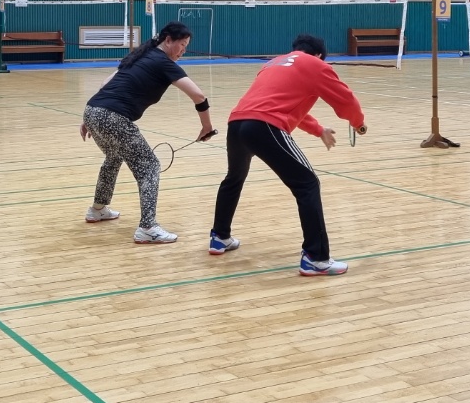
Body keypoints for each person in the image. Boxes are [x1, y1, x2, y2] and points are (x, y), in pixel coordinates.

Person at [209, 34, 366, 277]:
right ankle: (316, 258)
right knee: (308, 184)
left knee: (234, 178)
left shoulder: (273, 63)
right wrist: (358, 123)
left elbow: (283, 104)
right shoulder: (316, 64)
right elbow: (346, 101)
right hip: (264, 127)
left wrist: (319, 130)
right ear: (319, 56)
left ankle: (219, 237)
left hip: (237, 123)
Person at [80, 22, 213, 244]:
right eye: (182, 44)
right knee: (150, 167)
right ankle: (148, 228)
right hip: (114, 116)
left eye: (186, 46)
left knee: (113, 157)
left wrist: (91, 118)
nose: (183, 51)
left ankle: (97, 209)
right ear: (168, 40)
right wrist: (207, 126)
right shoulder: (163, 62)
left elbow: (106, 83)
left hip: (93, 110)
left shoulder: (141, 55)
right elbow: (199, 96)